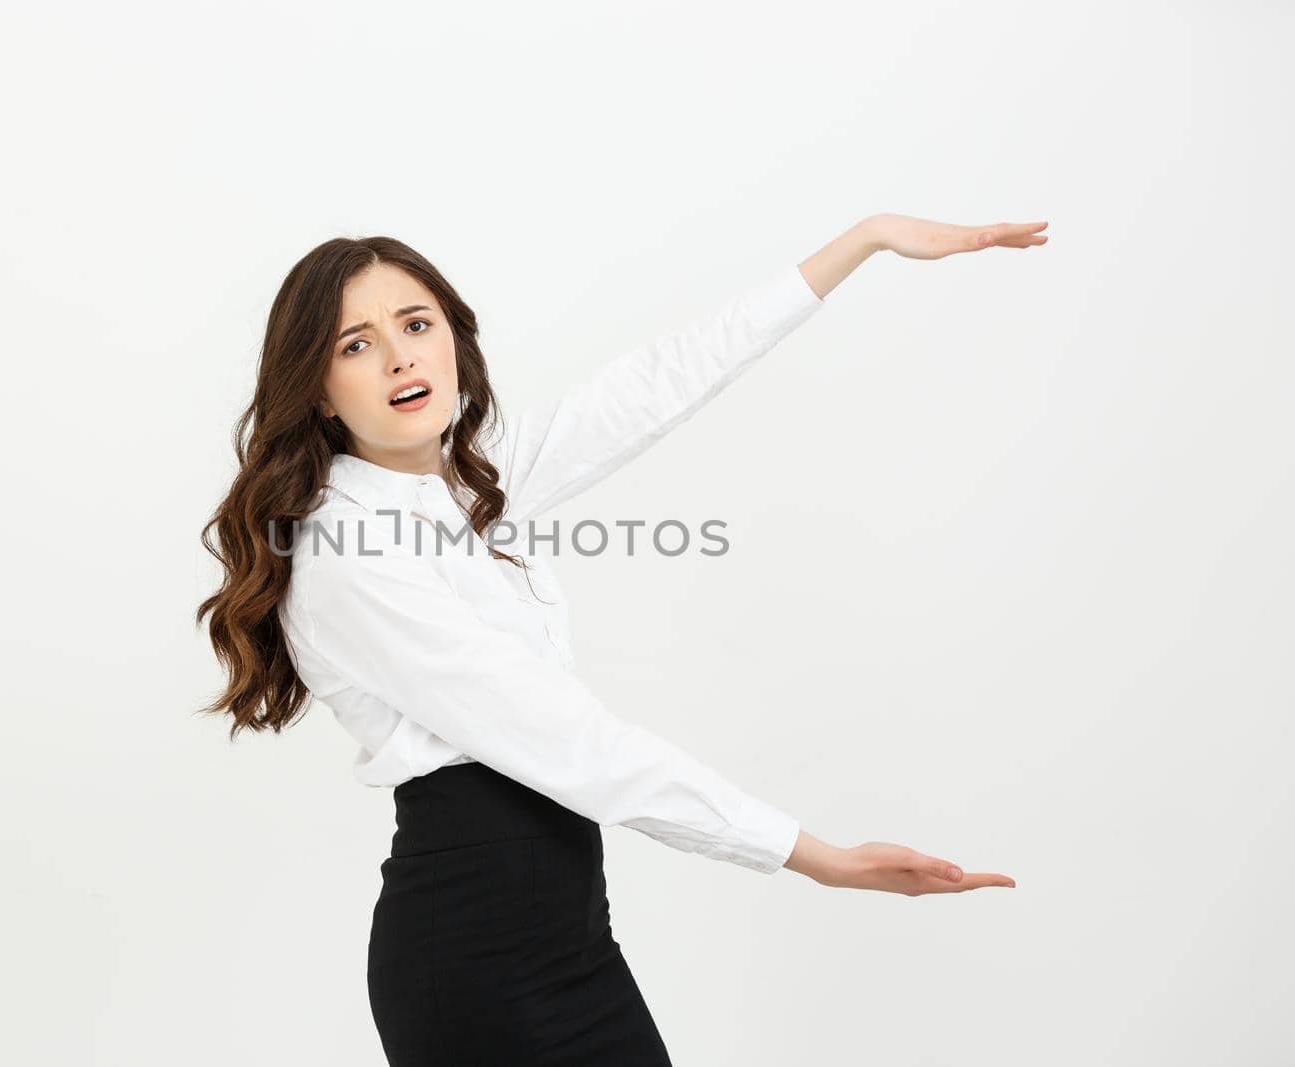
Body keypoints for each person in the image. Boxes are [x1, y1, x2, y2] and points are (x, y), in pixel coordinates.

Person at [196, 214, 1041, 1065]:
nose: (401, 357)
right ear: (315, 385)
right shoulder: (350, 553)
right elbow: (571, 741)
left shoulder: (464, 487)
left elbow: (652, 387)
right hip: (476, 952)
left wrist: (862, 243)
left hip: (564, 931)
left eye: (416, 325)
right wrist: (811, 855)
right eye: (356, 345)